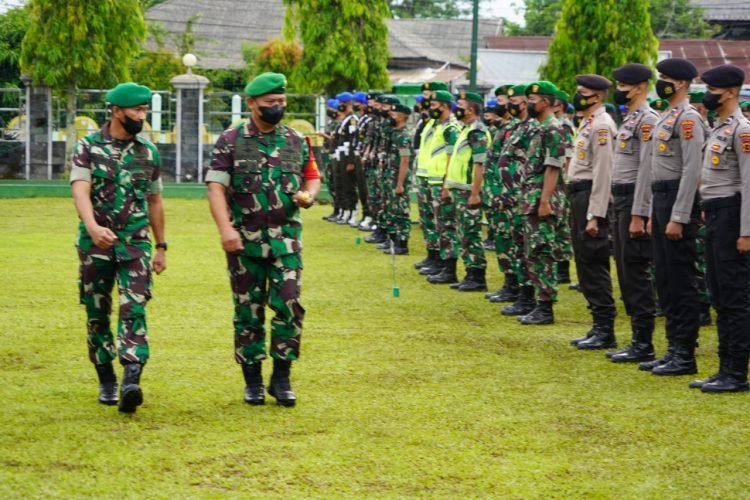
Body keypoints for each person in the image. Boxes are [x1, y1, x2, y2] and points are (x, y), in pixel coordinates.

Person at [206, 72, 321, 407]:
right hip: (245, 242)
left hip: (286, 241)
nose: (277, 107)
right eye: (271, 103)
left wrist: (308, 196)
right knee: (248, 311)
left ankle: (282, 378)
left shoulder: (297, 140)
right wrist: (225, 229)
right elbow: (216, 187)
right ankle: (253, 381)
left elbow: (312, 177)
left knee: (289, 304)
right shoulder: (231, 140)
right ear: (253, 103)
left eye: (282, 102)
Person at [70, 82, 166, 413]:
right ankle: (107, 378)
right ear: (116, 111)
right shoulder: (88, 147)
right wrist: (93, 227)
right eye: (137, 111)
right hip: (95, 244)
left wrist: (162, 245)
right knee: (97, 312)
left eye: (144, 111)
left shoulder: (148, 151)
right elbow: (80, 189)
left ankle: (131, 378)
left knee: (134, 306)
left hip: (135, 243)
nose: (142, 116)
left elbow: (155, 200)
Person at [639, 58, 706, 376]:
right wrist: (653, 212)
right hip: (661, 198)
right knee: (664, 280)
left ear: (680, 83)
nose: (660, 82)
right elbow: (655, 170)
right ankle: (672, 348)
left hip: (679, 199)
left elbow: (692, 170)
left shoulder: (689, 119)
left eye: (665, 78)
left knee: (681, 280)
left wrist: (679, 215)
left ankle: (685, 354)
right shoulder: (667, 115)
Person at [690, 64, 750, 393]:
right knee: (720, 297)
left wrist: (746, 232)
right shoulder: (719, 128)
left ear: (728, 92)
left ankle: (736, 372)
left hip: (731, 215)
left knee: (735, 297)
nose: (706, 94)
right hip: (714, 214)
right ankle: (724, 367)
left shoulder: (742, 130)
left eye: (711, 89)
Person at [605, 63, 659, 362]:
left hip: (633, 202)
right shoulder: (629, 119)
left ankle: (644, 342)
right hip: (621, 200)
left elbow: (646, 170)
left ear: (639, 87)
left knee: (636, 272)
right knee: (626, 271)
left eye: (623, 85)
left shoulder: (647, 120)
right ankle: (638, 339)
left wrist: (640, 212)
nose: (619, 90)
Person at [566, 74, 618, 349]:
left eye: (582, 92)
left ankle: (605, 328)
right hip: (578, 194)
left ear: (597, 97)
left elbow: (603, 172)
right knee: (585, 261)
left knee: (594, 260)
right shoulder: (587, 123)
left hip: (590, 197)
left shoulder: (601, 126)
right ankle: (598, 324)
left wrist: (595, 214)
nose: (577, 96)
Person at [516, 81, 567, 324]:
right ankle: (539, 302)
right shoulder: (538, 128)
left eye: (532, 101)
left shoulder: (553, 129)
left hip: (543, 199)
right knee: (533, 251)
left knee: (542, 250)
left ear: (546, 102)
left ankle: (546, 306)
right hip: (532, 197)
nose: (528, 104)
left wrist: (545, 201)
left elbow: (553, 167)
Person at [443, 91, 490, 291]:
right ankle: (469, 273)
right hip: (459, 189)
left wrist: (475, 193)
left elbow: (480, 165)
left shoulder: (477, 132)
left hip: (469, 190)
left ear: (470, 109)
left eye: (460, 104)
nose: (456, 108)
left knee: (471, 234)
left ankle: (477, 276)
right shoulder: (466, 129)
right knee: (463, 234)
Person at [424, 90, 462, 284]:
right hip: (435, 180)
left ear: (444, 106)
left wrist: (447, 183)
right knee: (440, 225)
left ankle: (449, 269)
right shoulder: (439, 126)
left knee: (447, 225)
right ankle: (442, 264)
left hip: (442, 181)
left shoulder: (451, 128)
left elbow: (451, 157)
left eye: (433, 106)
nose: (430, 109)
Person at [380, 103, 414, 255]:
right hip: (390, 176)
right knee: (391, 209)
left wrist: (400, 184)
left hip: (398, 177)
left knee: (401, 211)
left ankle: (402, 243)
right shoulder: (394, 132)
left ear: (401, 117)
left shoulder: (403, 136)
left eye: (393, 115)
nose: (390, 118)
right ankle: (393, 240)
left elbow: (405, 160)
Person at [332, 92, 359, 225]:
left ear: (348, 103)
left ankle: (352, 212)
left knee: (349, 185)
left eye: (342, 103)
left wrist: (350, 160)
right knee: (341, 184)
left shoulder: (352, 119)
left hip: (347, 153)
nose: (340, 106)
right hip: (340, 153)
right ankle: (345, 211)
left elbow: (353, 139)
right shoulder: (345, 119)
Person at [321, 98, 340, 221]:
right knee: (330, 183)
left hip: (335, 155)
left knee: (336, 183)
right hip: (328, 154)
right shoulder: (331, 122)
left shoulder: (338, 123)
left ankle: (339, 210)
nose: (329, 110)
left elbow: (335, 138)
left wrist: (324, 136)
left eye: (331, 108)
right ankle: (335, 209)